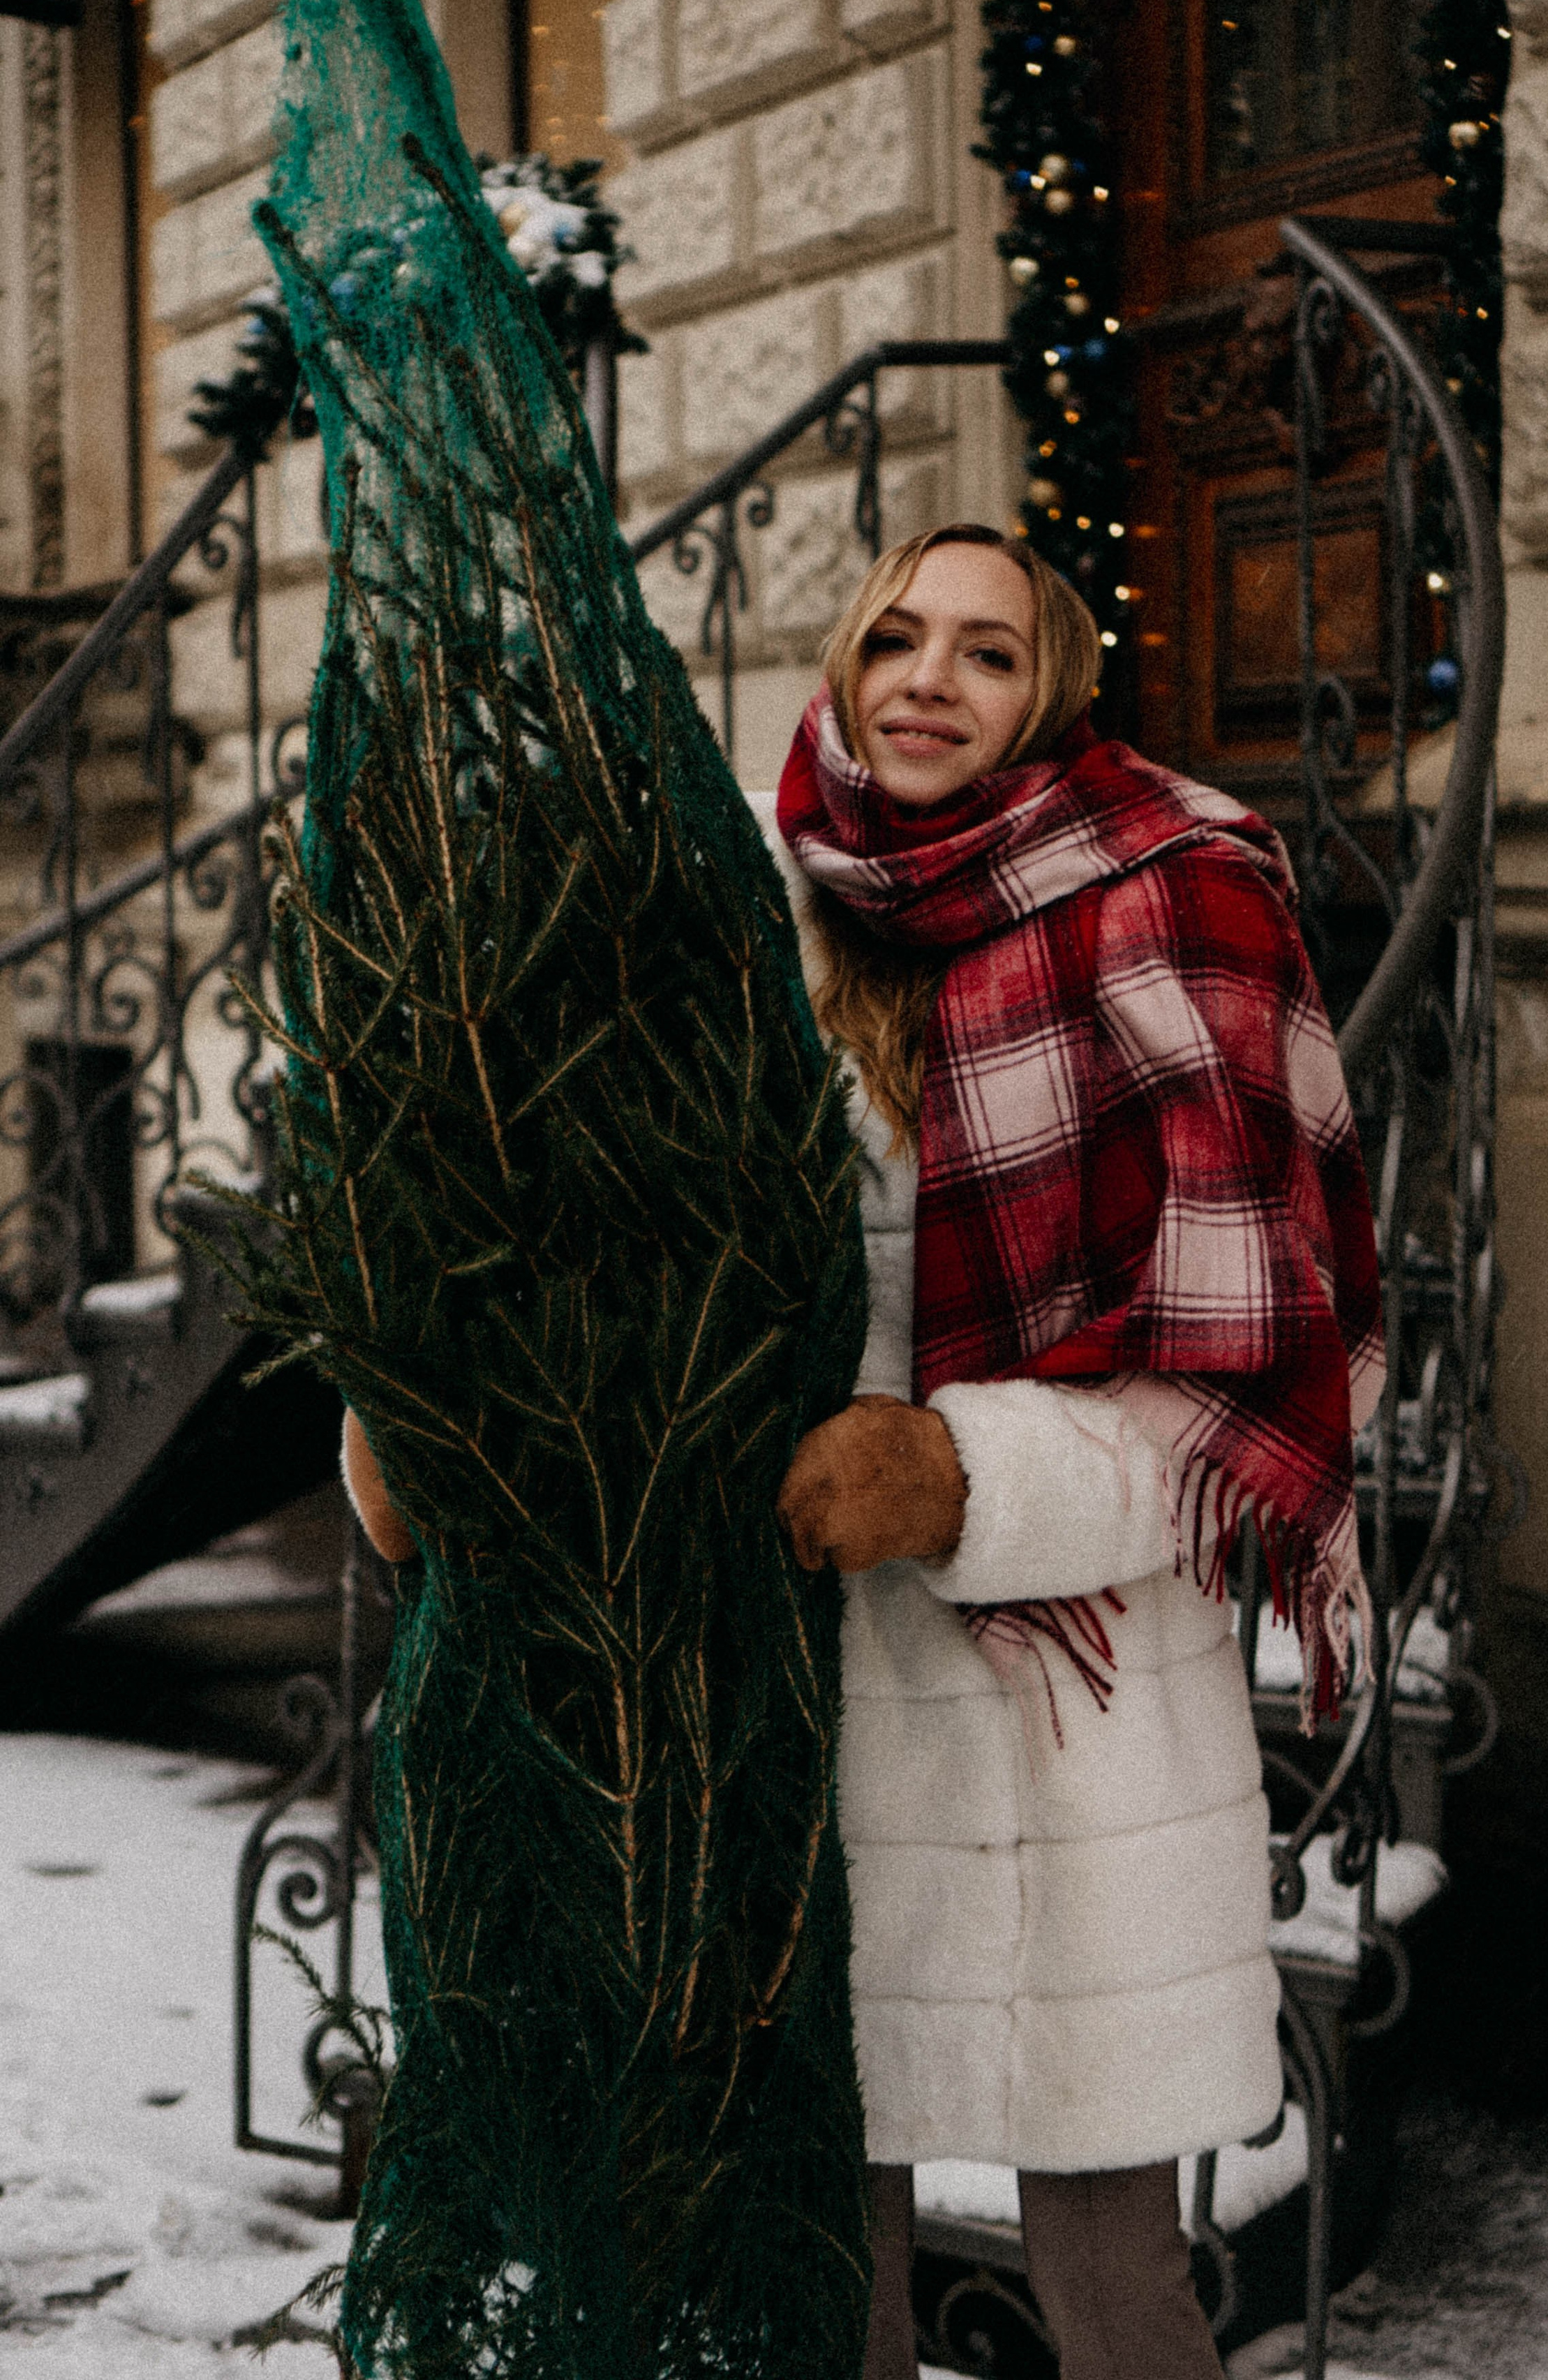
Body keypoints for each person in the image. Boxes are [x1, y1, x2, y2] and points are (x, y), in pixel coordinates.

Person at [343, 521, 1383, 2380]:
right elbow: (577, 1206)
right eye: (897, 634)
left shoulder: (1174, 893)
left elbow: (1259, 1380)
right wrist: (455, 1412)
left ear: (1056, 691)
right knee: (827, 2280)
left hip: (1066, 1719)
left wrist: (967, 1477)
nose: (928, 679)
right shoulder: (733, 887)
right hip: (778, 1689)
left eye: (988, 652)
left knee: (1115, 2284)